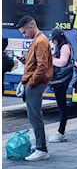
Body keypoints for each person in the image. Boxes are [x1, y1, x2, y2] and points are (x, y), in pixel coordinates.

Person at [16, 16, 53, 161]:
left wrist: (31, 82)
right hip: (35, 82)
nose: (24, 35)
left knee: (34, 116)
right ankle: (40, 146)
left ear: (31, 27)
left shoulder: (40, 41)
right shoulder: (38, 40)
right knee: (34, 115)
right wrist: (26, 61)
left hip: (36, 83)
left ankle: (41, 149)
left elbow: (42, 67)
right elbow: (38, 62)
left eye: (24, 32)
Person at [48, 28, 73, 143]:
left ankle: (61, 132)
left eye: (53, 39)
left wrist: (50, 59)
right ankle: (60, 131)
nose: (53, 42)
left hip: (61, 80)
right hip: (59, 80)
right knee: (61, 106)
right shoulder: (61, 46)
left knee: (62, 107)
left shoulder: (65, 47)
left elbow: (62, 62)